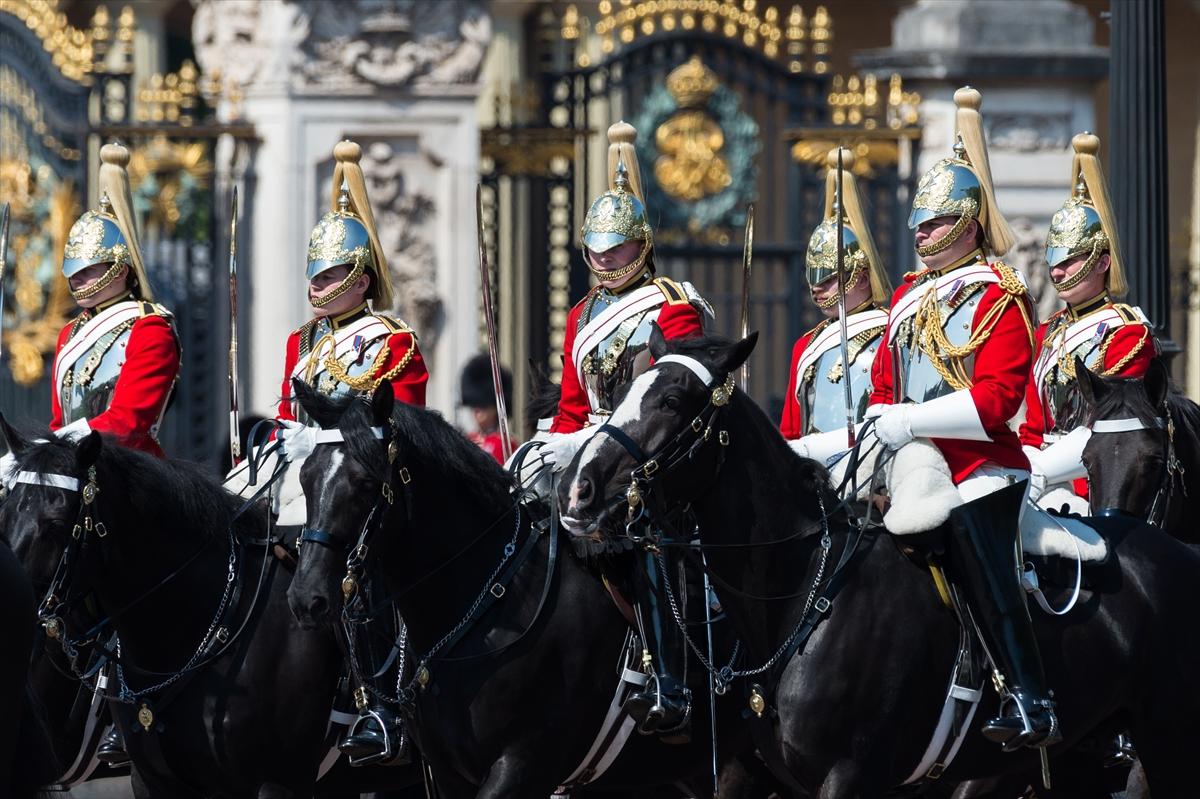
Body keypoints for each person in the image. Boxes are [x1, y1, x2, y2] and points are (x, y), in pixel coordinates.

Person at [867, 87, 1060, 750]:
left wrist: (910, 424)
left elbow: (997, 400)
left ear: (968, 225)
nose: (920, 234)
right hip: (909, 470)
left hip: (982, 470)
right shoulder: (902, 299)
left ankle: (1028, 694)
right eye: (918, 225)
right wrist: (880, 425)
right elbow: (883, 385)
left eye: (933, 223)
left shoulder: (999, 297)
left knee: (982, 557)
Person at [537, 121, 712, 738]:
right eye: (596, 248)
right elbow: (569, 402)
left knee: (649, 535)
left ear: (640, 245)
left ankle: (669, 677)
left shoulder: (672, 301)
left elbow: (680, 396)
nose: (604, 259)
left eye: (615, 248)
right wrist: (546, 443)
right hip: (591, 450)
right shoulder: (584, 313)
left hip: (650, 459)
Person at [274, 140, 428, 766]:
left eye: (332, 274)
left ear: (362, 279)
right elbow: (288, 412)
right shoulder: (300, 340)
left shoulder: (392, 339)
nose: (319, 285)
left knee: (359, 568)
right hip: (304, 469)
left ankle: (378, 703)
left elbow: (404, 421)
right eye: (314, 273)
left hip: (363, 478)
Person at [45, 142, 180, 766]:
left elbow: (128, 422)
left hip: (129, 476)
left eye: (90, 271)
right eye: (72, 273)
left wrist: (64, 445)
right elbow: (58, 419)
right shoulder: (70, 337)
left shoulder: (150, 328)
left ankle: (122, 695)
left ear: (122, 268)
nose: (78, 284)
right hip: (78, 473)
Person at [1019, 133, 1156, 514]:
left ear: (1101, 262)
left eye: (1070, 260)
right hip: (1040, 476)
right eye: (1055, 260)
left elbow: (1112, 428)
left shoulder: (1126, 334)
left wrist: (1042, 470)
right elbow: (1034, 425)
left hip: (1098, 482)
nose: (1058, 271)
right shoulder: (1048, 332)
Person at [780, 147, 891, 464]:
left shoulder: (889, 332)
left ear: (860, 274)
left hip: (873, 468)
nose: (818, 287)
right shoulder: (807, 345)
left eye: (829, 278)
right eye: (814, 277)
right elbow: (792, 428)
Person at [459, 353, 514, 464]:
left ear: (494, 408)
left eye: (483, 405)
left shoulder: (506, 444)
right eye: (475, 404)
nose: (477, 409)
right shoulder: (464, 441)